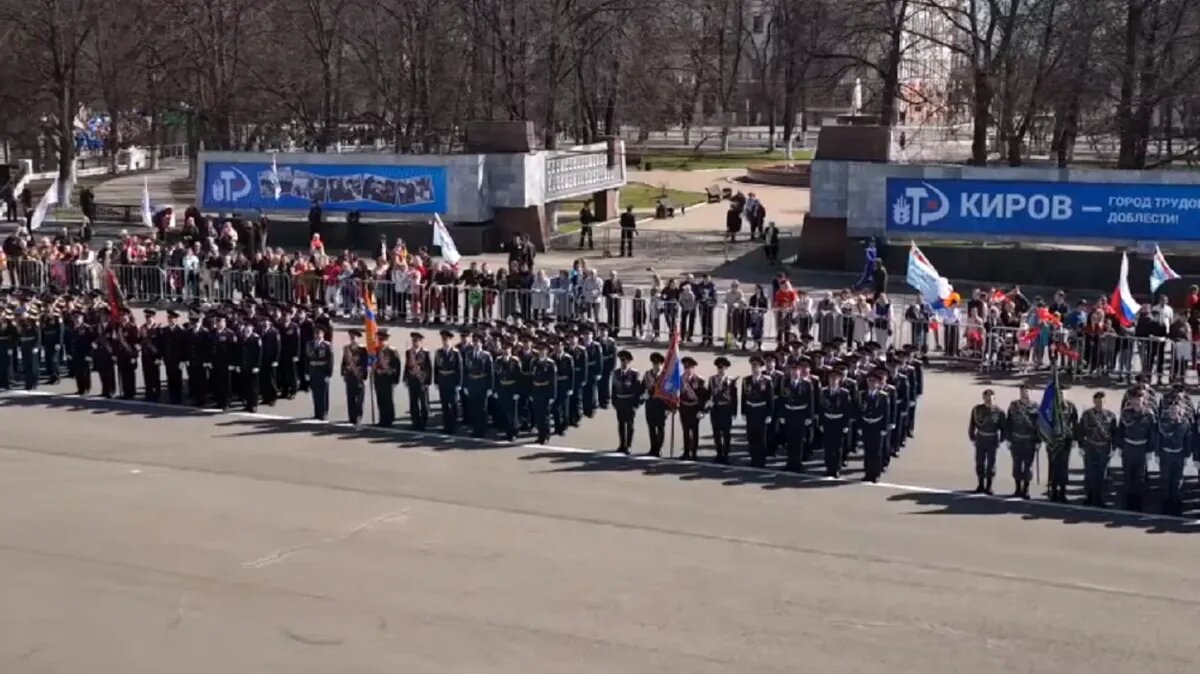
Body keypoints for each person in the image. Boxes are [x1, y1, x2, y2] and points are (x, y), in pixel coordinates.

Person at [1116, 388, 1155, 511]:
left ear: (1143, 400)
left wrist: (1150, 450)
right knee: (1127, 474)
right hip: (1128, 446)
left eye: (1139, 399)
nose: (1136, 402)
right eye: (1134, 399)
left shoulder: (1149, 414)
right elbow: (1120, 430)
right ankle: (1127, 501)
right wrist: (1120, 446)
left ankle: (1137, 502)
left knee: (1140, 476)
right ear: (1131, 400)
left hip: (1141, 448)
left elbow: (1152, 433)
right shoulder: (1125, 412)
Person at [1077, 391, 1117, 507]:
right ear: (1094, 401)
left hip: (1104, 447)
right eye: (1098, 401)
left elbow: (1114, 433)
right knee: (1089, 473)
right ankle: (1089, 496)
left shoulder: (1111, 416)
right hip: (1090, 447)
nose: (1100, 404)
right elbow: (1080, 431)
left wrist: (1113, 448)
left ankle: (1100, 497)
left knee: (1102, 474)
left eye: (1102, 401)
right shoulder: (1087, 415)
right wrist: (1081, 446)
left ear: (1105, 401)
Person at [967, 389, 1006, 494]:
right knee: (980, 462)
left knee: (991, 464)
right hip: (981, 439)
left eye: (991, 397)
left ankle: (989, 486)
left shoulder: (999, 412)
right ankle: (980, 485)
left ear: (994, 398)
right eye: (987, 397)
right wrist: (972, 437)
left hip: (992, 439)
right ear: (983, 398)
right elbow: (972, 424)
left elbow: (1003, 428)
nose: (989, 399)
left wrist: (1001, 440)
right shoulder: (977, 410)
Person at [1004, 384, 1040, 499]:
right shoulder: (1014, 406)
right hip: (1016, 440)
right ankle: (1018, 488)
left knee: (1028, 467)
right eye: (1022, 391)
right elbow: (1008, 423)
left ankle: (1026, 489)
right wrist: (1008, 438)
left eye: (1026, 391)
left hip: (1029, 441)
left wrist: (1038, 441)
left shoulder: (1036, 407)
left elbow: (1039, 426)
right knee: (1017, 466)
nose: (1024, 393)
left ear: (1030, 392)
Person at [781, 357, 816, 472]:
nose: (794, 372)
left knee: (799, 441)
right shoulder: (785, 383)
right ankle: (789, 462)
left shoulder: (806, 384)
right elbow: (782, 400)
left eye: (797, 370)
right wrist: (782, 415)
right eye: (792, 370)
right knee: (789, 440)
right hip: (789, 414)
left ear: (800, 371)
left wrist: (809, 416)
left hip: (800, 414)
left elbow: (810, 401)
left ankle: (797, 463)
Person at [1158, 400, 1191, 515]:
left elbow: (1187, 440)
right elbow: (1158, 438)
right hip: (1166, 454)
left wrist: (1186, 455)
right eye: (1171, 409)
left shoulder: (1185, 423)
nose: (1173, 412)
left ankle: (1176, 504)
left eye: (1176, 410)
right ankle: (1165, 503)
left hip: (1178, 454)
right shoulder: (1163, 422)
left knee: (1177, 480)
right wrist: (1157, 453)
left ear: (1180, 411)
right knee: (1165, 479)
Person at [858, 369, 891, 483]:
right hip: (867, 425)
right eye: (869, 381)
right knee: (867, 450)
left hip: (877, 426)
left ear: (878, 383)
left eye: (874, 382)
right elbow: (860, 412)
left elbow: (886, 413)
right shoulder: (863, 395)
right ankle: (867, 473)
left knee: (876, 451)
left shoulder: (883, 396)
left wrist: (884, 428)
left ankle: (875, 474)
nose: (871, 384)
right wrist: (860, 426)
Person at [819, 366, 853, 478]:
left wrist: (846, 424)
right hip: (828, 421)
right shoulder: (824, 392)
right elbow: (821, 409)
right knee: (828, 447)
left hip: (839, 422)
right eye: (831, 379)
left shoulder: (844, 393)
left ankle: (836, 468)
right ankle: (829, 467)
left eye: (835, 379)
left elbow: (847, 410)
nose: (833, 381)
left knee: (838, 447)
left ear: (839, 380)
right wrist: (821, 423)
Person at [742, 355, 774, 468]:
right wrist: (743, 412)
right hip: (751, 411)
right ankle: (753, 459)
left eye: (757, 367)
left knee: (761, 437)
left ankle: (761, 460)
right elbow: (743, 397)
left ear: (761, 368)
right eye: (753, 367)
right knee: (751, 436)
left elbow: (770, 399)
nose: (754, 369)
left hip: (761, 411)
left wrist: (769, 414)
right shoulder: (746, 380)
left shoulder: (767, 381)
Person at [611, 350, 643, 453]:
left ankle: (628, 445)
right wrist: (614, 401)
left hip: (630, 401)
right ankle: (622, 444)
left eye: (625, 361)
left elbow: (638, 390)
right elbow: (613, 388)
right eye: (622, 361)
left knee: (630, 424)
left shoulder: (634, 374)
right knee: (621, 423)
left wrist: (636, 403)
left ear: (629, 362)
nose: (623, 363)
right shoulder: (616, 373)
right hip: (620, 400)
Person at [708, 357, 737, 463]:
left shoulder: (731, 381)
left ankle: (726, 454)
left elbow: (734, 398)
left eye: (723, 368)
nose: (721, 370)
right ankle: (719, 453)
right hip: (716, 409)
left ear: (726, 368)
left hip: (726, 409)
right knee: (716, 433)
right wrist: (708, 405)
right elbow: (709, 394)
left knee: (726, 433)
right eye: (719, 368)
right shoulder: (712, 379)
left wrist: (734, 412)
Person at [465, 332, 494, 437]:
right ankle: (475, 429)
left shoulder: (486, 355)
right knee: (473, 408)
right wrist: (466, 385)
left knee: (482, 408)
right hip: (472, 384)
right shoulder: (468, 354)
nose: (475, 344)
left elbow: (490, 372)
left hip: (482, 384)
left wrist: (490, 387)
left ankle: (482, 430)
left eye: (477, 342)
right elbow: (466, 370)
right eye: (474, 342)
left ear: (481, 343)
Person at [678, 357, 707, 460]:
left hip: (694, 408)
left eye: (689, 367)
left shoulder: (699, 380)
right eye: (685, 367)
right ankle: (686, 452)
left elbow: (703, 396)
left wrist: (701, 410)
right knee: (685, 430)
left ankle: (694, 453)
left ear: (693, 368)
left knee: (694, 431)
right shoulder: (680, 379)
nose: (687, 370)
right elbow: (676, 393)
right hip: (684, 407)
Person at [435, 329, 463, 433]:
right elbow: (436, 368)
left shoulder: (455, 352)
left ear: (450, 340)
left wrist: (458, 383)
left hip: (452, 380)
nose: (444, 341)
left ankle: (453, 425)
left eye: (446, 339)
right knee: (444, 404)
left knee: (453, 404)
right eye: (443, 339)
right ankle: (446, 425)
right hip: (442, 380)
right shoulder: (439, 352)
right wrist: (436, 381)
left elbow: (459, 368)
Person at [494, 339, 522, 440]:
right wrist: (496, 390)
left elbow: (519, 378)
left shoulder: (515, 361)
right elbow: (496, 377)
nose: (506, 351)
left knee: (512, 412)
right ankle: (507, 431)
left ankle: (514, 432)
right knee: (504, 411)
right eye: (504, 349)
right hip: (502, 388)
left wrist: (517, 392)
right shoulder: (498, 360)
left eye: (508, 349)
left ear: (511, 350)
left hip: (512, 388)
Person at [403, 331, 432, 430]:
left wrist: (427, 381)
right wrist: (405, 378)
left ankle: (423, 423)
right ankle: (415, 422)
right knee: (413, 402)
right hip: (412, 380)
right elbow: (406, 366)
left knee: (424, 403)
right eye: (413, 340)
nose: (415, 343)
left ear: (420, 342)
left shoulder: (425, 353)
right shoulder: (409, 352)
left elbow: (429, 368)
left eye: (416, 341)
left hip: (422, 381)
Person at [529, 341, 557, 443]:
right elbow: (531, 379)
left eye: (543, 350)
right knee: (538, 415)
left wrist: (552, 396)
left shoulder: (550, 363)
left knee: (545, 416)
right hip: (536, 391)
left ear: (547, 351)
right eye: (540, 350)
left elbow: (553, 381)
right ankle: (540, 435)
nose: (541, 352)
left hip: (545, 392)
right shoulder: (534, 362)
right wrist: (531, 393)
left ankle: (546, 436)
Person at [642, 352, 667, 456]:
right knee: (651, 426)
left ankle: (659, 449)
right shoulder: (647, 374)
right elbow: (642, 387)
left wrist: (669, 407)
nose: (656, 366)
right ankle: (653, 448)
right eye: (654, 363)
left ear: (661, 364)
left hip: (661, 404)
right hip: (650, 403)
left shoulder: (665, 376)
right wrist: (643, 395)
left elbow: (669, 392)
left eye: (658, 364)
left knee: (660, 427)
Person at [374, 330, 400, 427]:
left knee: (388, 399)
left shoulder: (392, 351)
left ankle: (389, 418)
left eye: (382, 339)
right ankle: (382, 419)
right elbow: (374, 363)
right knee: (380, 399)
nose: (380, 342)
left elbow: (396, 366)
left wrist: (395, 379)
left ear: (386, 340)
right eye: (379, 339)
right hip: (379, 377)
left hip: (388, 378)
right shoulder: (376, 350)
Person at [307, 327, 333, 420]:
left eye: (319, 333)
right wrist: (307, 372)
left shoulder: (327, 345)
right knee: (315, 392)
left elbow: (330, 361)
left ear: (323, 334)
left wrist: (328, 374)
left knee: (323, 393)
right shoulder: (310, 344)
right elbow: (307, 359)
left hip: (322, 370)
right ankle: (317, 412)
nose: (317, 335)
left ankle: (324, 412)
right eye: (316, 333)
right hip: (313, 370)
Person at [239, 321, 262, 412]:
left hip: (253, 367)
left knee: (253, 387)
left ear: (252, 329)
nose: (247, 330)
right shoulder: (241, 338)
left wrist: (257, 366)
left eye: (249, 329)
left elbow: (259, 353)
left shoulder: (256, 338)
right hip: (244, 366)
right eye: (246, 329)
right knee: (245, 386)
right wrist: (238, 365)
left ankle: (253, 405)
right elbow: (237, 352)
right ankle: (248, 404)